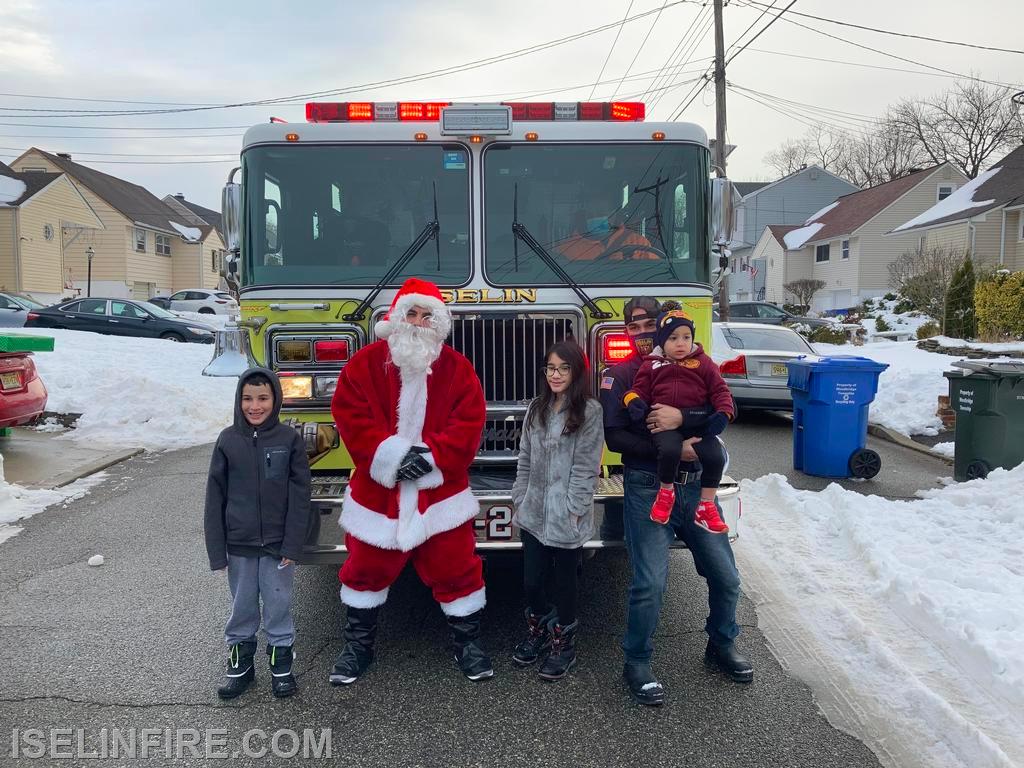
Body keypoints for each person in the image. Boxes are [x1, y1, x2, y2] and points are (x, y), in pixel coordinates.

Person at [328, 277, 492, 684]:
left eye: (426, 316)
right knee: (365, 566)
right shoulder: (363, 365)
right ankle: (357, 647)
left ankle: (468, 645)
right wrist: (392, 458)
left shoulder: (457, 369)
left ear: (438, 324)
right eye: (412, 314)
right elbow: (350, 415)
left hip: (440, 495)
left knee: (457, 567)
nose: (418, 323)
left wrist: (432, 459)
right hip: (378, 492)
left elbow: (469, 422)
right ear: (397, 319)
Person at [600, 296, 753, 707]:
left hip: (698, 487)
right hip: (649, 487)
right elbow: (615, 440)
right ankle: (637, 662)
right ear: (626, 330)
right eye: (634, 324)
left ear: (665, 325)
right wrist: (674, 449)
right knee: (650, 583)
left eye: (650, 322)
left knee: (727, 577)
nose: (643, 330)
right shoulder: (620, 376)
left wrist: (682, 420)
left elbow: (724, 407)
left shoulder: (697, 364)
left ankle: (721, 645)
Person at [204, 368, 311, 700]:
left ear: (275, 399)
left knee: (278, 604)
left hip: (279, 546)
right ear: (239, 401)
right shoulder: (227, 441)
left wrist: (293, 543)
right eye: (247, 399)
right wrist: (217, 550)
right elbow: (214, 497)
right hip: (239, 544)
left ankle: (281, 665)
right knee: (243, 605)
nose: (255, 406)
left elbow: (299, 496)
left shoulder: (288, 440)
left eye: (263, 398)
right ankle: (241, 665)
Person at [510, 340, 604, 680]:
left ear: (576, 371)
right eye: (550, 368)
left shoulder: (589, 411)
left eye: (564, 368)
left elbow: (586, 467)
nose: (556, 374)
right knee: (532, 581)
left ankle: (564, 642)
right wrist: (520, 496)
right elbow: (524, 457)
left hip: (567, 514)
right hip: (533, 511)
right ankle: (538, 629)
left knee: (565, 582)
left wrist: (575, 509)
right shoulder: (537, 407)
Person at [623, 308, 733, 534]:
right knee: (669, 451)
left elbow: (721, 391)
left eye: (686, 337)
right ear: (662, 340)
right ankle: (666, 493)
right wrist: (633, 403)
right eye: (673, 338)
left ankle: (706, 506)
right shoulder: (651, 364)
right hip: (665, 426)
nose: (681, 343)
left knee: (715, 456)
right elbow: (637, 390)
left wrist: (723, 413)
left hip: (697, 426)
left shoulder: (704, 363)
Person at [556, 208, 661, 262]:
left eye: (602, 214)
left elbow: (656, 277)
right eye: (591, 215)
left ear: (614, 214)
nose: (596, 218)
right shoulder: (565, 249)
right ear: (584, 217)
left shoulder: (639, 243)